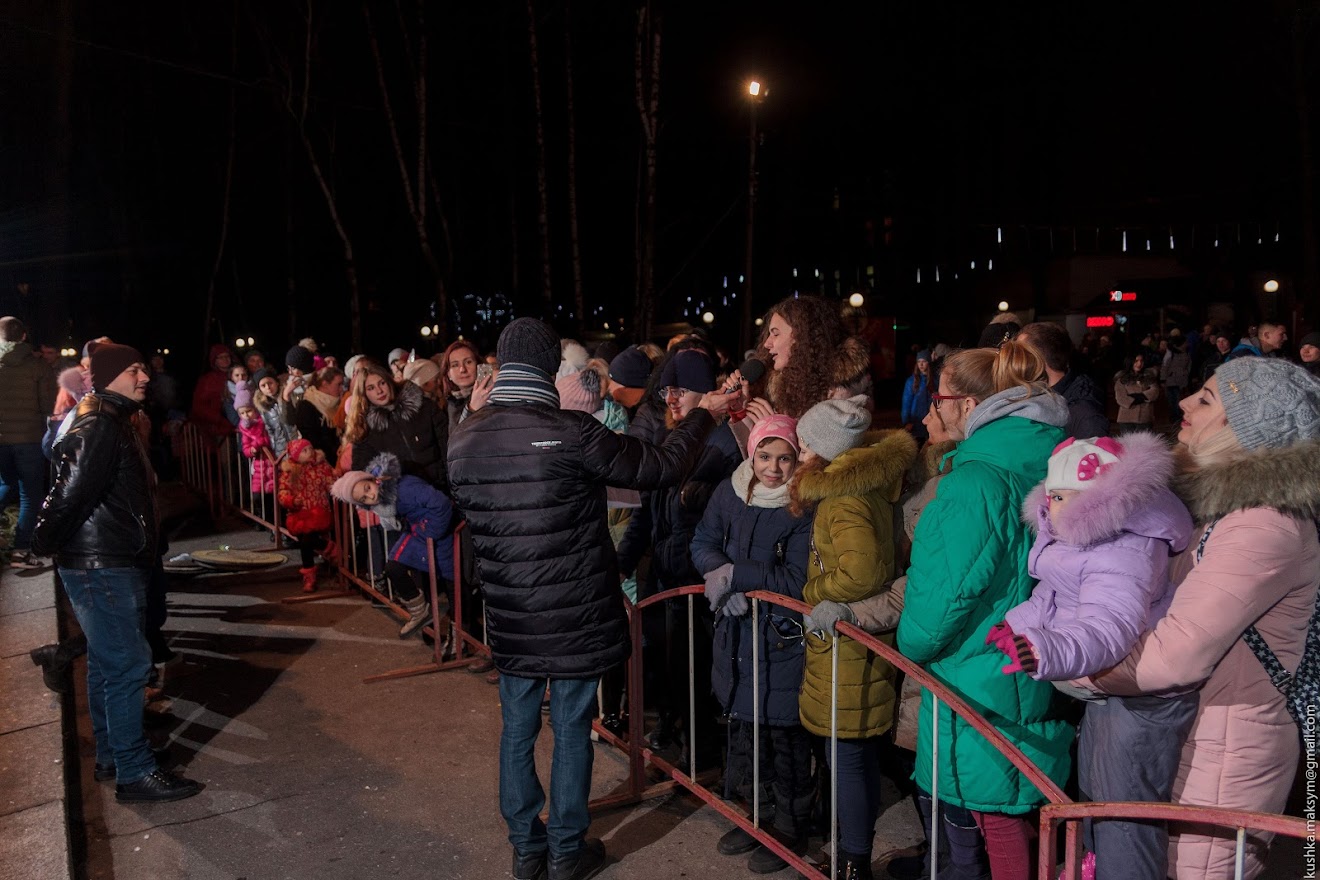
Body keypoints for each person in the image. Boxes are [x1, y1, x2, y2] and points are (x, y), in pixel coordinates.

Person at [447, 318, 737, 880]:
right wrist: (706, 414)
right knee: (572, 728)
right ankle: (563, 851)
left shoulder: (466, 434)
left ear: (502, 368)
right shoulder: (570, 429)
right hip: (575, 611)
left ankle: (527, 850)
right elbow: (658, 467)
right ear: (550, 368)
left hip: (511, 613)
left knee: (518, 728)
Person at [1088, 358, 1320, 879]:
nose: (1187, 401)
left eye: (1210, 399)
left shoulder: (1264, 525)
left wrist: (1078, 666)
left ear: (1247, 433)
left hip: (1222, 757)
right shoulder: (1213, 506)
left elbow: (1176, 654)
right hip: (1187, 736)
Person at [897, 342, 1074, 880]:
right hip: (1030, 665)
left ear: (971, 405)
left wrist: (911, 646)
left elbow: (939, 602)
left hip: (977, 676)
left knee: (991, 820)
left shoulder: (973, 482)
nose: (932, 408)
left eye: (940, 396)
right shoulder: (1045, 457)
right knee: (1011, 817)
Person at [991, 433, 1195, 879]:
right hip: (1108, 688)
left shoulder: (1124, 548)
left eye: (1062, 497)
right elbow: (1056, 596)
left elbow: (1109, 627)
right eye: (1051, 496)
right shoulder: (1090, 540)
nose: (1051, 508)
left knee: (1123, 820)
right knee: (1099, 803)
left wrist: (1046, 648)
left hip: (1139, 696)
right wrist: (1018, 624)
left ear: (1098, 500)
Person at [32, 342, 202, 802]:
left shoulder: (109, 417)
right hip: (102, 564)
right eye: (134, 370)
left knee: (110, 665)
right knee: (127, 665)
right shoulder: (99, 424)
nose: (144, 377)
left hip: (102, 560)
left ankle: (115, 756)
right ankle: (133, 770)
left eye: (144, 368)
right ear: (110, 375)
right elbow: (67, 494)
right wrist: (44, 542)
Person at [790, 396, 917, 880]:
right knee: (853, 756)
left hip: (846, 647)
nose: (799, 448)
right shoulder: (864, 486)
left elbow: (862, 572)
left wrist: (814, 592)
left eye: (805, 441)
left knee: (846, 758)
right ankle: (850, 850)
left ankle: (852, 860)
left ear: (826, 448)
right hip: (854, 644)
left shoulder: (842, 498)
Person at [692, 415, 812, 873]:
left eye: (785, 459)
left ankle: (790, 827)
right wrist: (716, 571)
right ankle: (755, 815)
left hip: (780, 641)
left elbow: (797, 579)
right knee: (744, 730)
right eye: (766, 456)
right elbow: (703, 539)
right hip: (736, 635)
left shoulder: (802, 505)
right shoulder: (732, 490)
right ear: (752, 453)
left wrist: (737, 577)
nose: (774, 469)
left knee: (783, 737)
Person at [331, 452, 455, 638]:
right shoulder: (385, 501)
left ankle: (460, 634)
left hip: (435, 532)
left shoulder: (404, 488)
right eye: (364, 499)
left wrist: (431, 532)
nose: (370, 495)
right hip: (419, 531)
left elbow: (442, 504)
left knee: (452, 582)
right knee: (393, 566)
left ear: (374, 479)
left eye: (367, 488)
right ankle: (420, 611)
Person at [756, 294, 870, 419]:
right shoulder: (779, 385)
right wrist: (739, 412)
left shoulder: (840, 393)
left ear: (803, 338)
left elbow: (825, 437)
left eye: (776, 334)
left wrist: (774, 426)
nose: (767, 343)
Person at [0, 317, 56, 568]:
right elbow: (47, 405)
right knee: (30, 495)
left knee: (4, 485)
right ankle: (21, 550)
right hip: (29, 438)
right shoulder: (38, 366)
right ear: (24, 336)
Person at [346, 361, 449, 490]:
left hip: (442, 484)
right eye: (371, 388)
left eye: (382, 383)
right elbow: (362, 471)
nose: (379, 391)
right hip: (405, 496)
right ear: (364, 394)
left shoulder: (423, 406)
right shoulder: (365, 428)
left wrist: (451, 478)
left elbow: (447, 443)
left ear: (389, 382)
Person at [1017, 322, 1109, 438]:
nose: (1015, 362)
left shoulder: (1083, 414)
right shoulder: (1039, 396)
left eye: (1021, 355)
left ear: (1039, 359)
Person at [277, 438, 337, 593]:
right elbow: (283, 492)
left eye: (310, 448)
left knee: (307, 540)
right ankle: (328, 548)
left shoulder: (321, 465)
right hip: (299, 513)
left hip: (318, 510)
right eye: (304, 450)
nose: (309, 452)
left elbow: (331, 482)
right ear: (296, 455)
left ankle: (309, 575)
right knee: (305, 539)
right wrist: (292, 501)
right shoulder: (290, 471)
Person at [291, 366, 345, 462]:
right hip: (321, 462)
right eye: (339, 384)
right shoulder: (306, 406)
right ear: (325, 384)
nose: (342, 388)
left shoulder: (338, 403)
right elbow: (311, 439)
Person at [235, 385, 275, 508]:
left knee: (273, 495)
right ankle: (262, 521)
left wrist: (256, 444)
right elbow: (245, 447)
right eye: (242, 413)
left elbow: (267, 439)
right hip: (258, 466)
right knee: (258, 496)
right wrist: (250, 451)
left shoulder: (264, 422)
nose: (246, 415)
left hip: (272, 462)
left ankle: (273, 524)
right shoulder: (245, 428)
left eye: (249, 411)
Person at [189, 343, 235, 440]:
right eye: (221, 357)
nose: (225, 359)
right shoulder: (208, 380)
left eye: (227, 356)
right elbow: (199, 406)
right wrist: (219, 419)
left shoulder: (237, 374)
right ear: (215, 360)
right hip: (219, 427)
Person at [441, 339, 482, 432]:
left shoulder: (490, 393)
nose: (462, 369)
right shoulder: (451, 403)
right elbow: (455, 440)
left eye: (468, 362)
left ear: (478, 365)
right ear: (448, 374)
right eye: (455, 365)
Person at [1114, 354, 1160, 434]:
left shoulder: (1148, 377)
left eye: (1141, 361)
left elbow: (1155, 391)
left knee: (1144, 444)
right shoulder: (1122, 379)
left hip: (1145, 417)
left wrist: (1141, 396)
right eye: (1136, 361)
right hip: (1126, 418)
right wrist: (1136, 399)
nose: (1139, 364)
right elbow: (1121, 398)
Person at [900, 351, 932, 441]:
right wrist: (907, 421)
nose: (921, 364)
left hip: (930, 420)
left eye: (924, 361)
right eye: (919, 361)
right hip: (916, 421)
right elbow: (906, 402)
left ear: (928, 362)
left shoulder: (935, 380)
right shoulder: (912, 381)